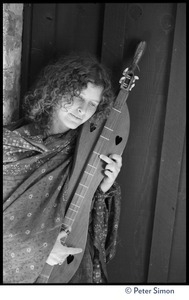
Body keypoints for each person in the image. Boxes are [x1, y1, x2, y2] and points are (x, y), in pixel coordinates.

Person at [3, 53, 135, 284]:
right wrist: (39, 249)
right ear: (53, 92)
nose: (82, 110)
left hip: (63, 274)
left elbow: (82, 221)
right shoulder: (10, 144)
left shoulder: (86, 152)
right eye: (76, 96)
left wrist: (101, 187)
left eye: (93, 104)